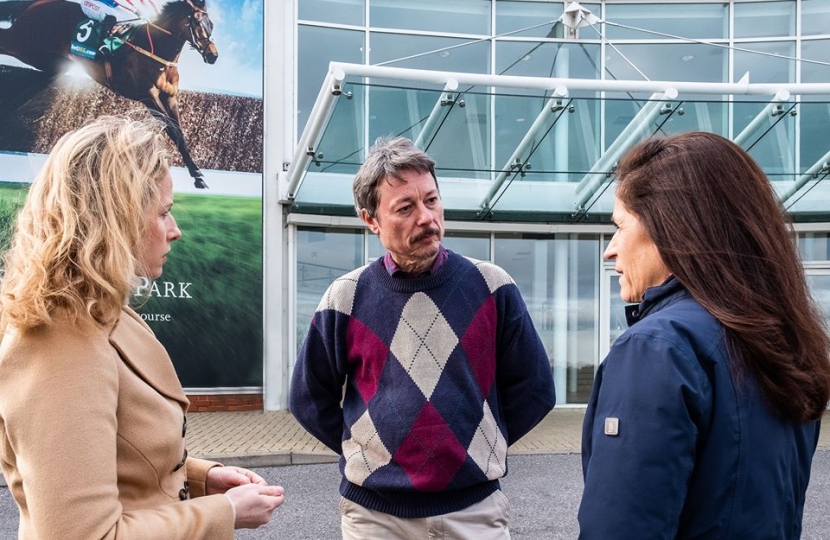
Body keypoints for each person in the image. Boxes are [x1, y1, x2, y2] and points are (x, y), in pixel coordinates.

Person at [0, 115, 284, 539]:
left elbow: (117, 457)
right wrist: (223, 512)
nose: (176, 231)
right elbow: (82, 533)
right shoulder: (56, 341)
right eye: (164, 213)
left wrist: (203, 479)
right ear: (117, 219)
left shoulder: (99, 313)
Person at [290, 136, 556, 539]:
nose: (427, 218)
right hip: (376, 517)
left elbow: (535, 389)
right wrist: (372, 451)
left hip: (474, 512)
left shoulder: (492, 287)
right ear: (371, 220)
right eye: (405, 208)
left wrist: (475, 447)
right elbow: (308, 398)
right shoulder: (345, 297)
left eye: (431, 201)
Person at [578, 131, 830, 539]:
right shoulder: (784, 342)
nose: (610, 249)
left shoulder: (658, 347)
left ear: (669, 228)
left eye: (620, 226)